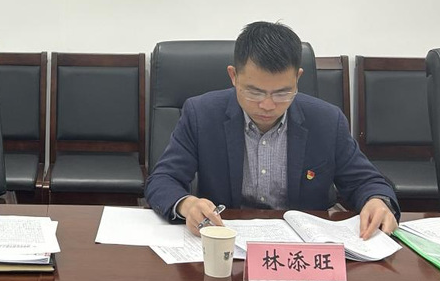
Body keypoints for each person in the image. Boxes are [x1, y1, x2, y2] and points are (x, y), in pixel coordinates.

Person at [145, 21, 399, 240]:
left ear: (298, 78)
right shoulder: (201, 114)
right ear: (233, 76)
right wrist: (187, 204)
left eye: (282, 93)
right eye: (254, 92)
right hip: (226, 239)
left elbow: (366, 181)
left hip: (302, 248)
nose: (267, 105)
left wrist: (377, 200)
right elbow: (163, 179)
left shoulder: (326, 121)